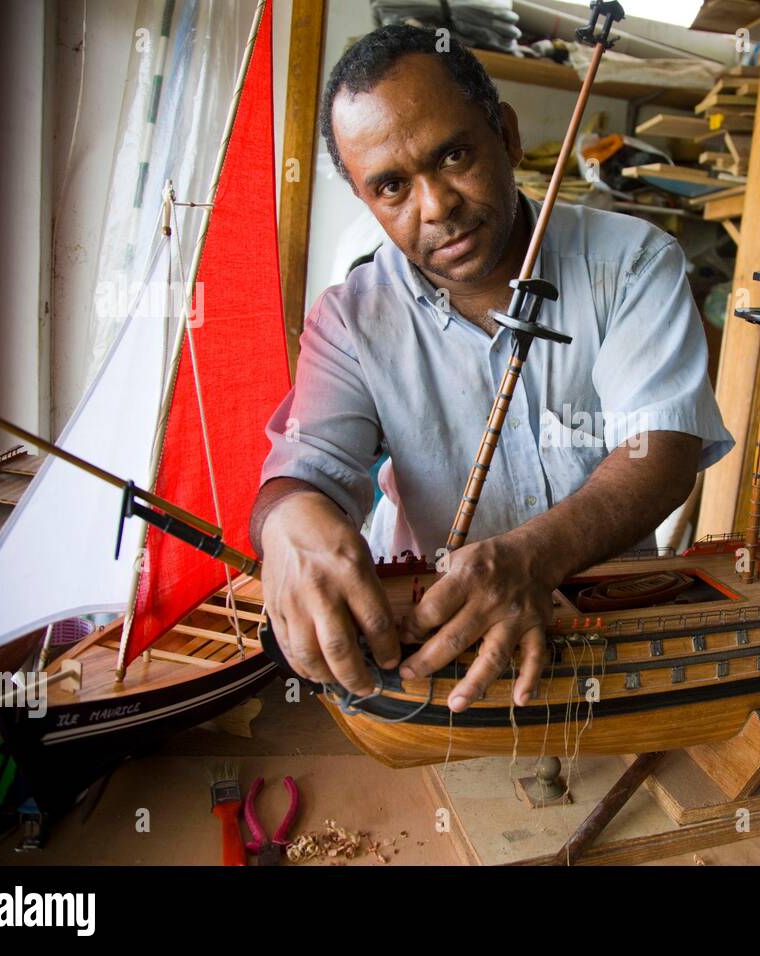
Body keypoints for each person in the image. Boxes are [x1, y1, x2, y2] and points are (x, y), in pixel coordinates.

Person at [251, 25, 733, 714]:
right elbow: (307, 468)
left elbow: (660, 451)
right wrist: (289, 522)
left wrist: (530, 559)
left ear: (504, 134)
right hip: (440, 651)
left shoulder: (631, 262)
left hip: (614, 635)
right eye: (391, 187)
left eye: (452, 154)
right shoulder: (350, 320)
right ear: (366, 201)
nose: (436, 205)